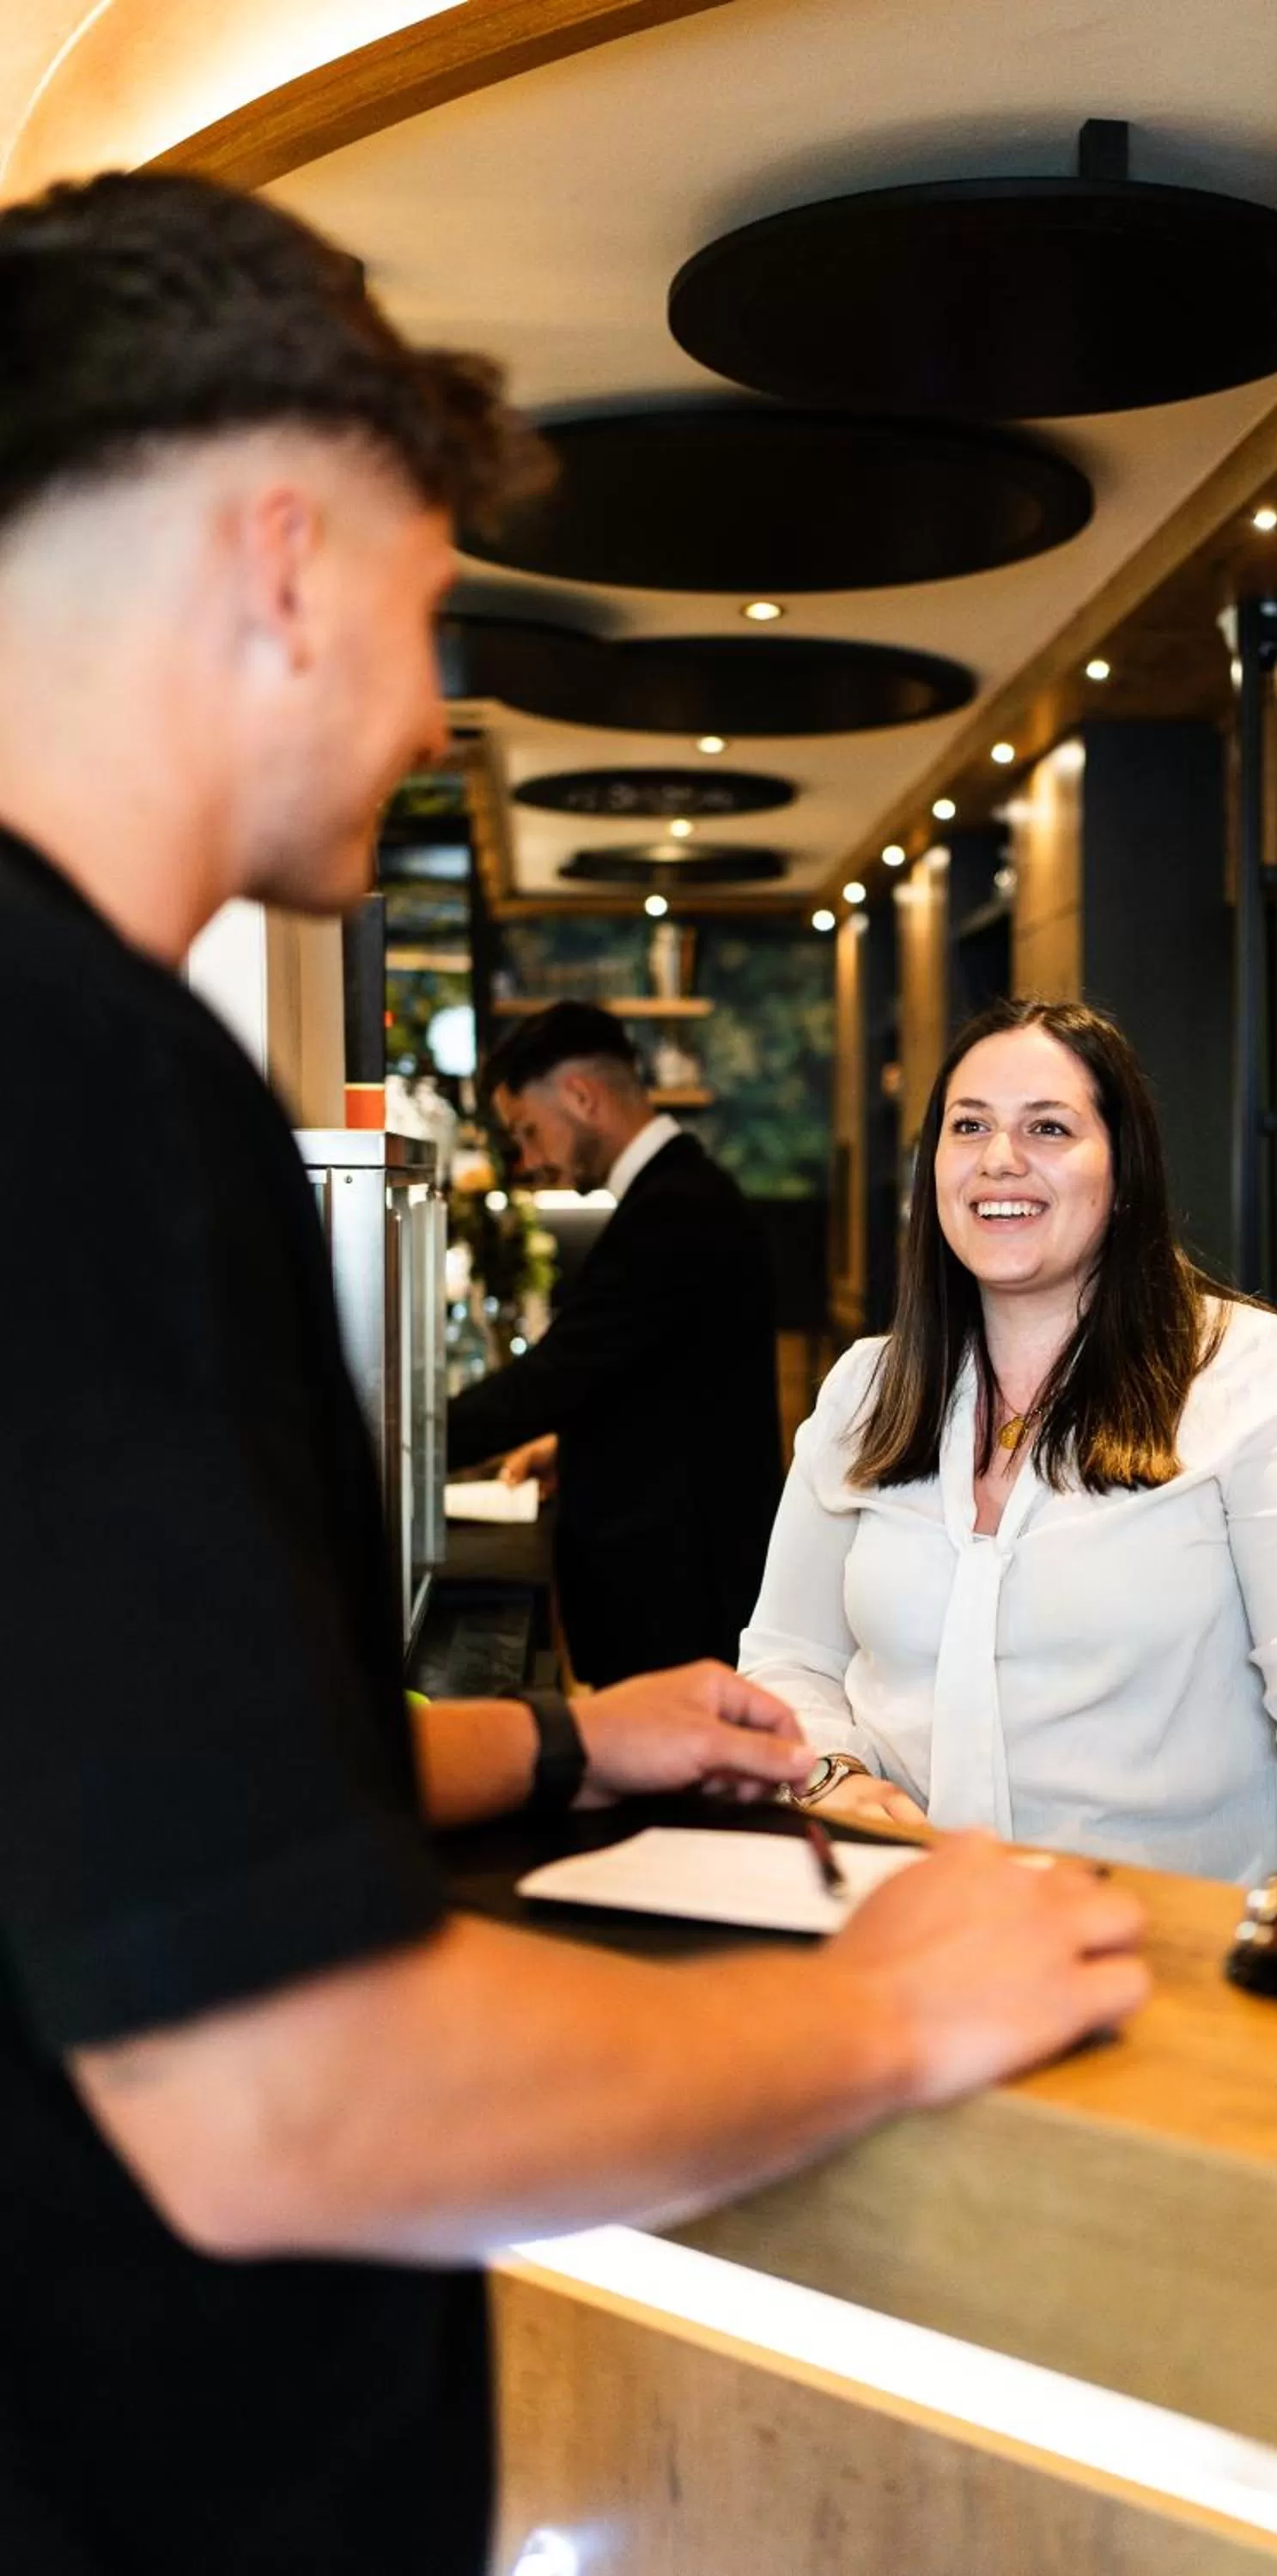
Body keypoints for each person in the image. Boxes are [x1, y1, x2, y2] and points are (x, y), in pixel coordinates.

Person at [0, 175, 1147, 2576]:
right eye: (424, 607)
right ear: (284, 560)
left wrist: (557, 1740)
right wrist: (887, 2008)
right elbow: (287, 2100)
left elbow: (93, 1786)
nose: (430, 710)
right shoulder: (80, 1080)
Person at [740, 998, 1277, 1918]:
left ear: (1124, 1174)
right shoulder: (865, 1389)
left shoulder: (1243, 1373)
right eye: (969, 1126)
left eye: (1048, 1127)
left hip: (1174, 1948)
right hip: (907, 1930)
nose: (1000, 1158)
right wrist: (828, 1774)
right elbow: (789, 1658)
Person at [447, 1003, 783, 1683]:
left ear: (581, 1096)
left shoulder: (674, 1209)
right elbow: (668, 1386)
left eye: (528, 1130)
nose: (529, 1159)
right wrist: (571, 1444)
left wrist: (405, 1443)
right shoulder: (682, 1194)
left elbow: (556, 1374)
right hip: (679, 1588)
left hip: (681, 1603)